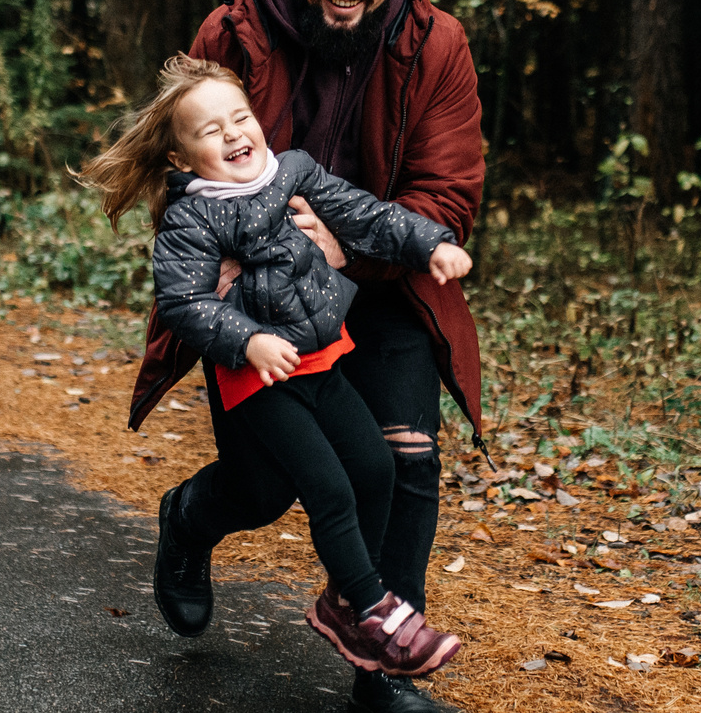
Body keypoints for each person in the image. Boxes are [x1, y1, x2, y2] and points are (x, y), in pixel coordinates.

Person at [127, 0, 486, 713]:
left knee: (402, 461)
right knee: (267, 484)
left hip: (384, 280)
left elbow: (446, 194)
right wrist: (224, 280)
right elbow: (188, 166)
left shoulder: (436, 44)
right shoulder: (233, 28)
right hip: (258, 297)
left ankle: (381, 663)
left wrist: (349, 247)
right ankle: (189, 518)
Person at [81, 58, 473, 677]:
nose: (234, 133)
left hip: (321, 361)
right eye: (211, 130)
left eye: (241, 117)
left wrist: (431, 243)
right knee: (328, 489)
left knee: (375, 467)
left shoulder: (294, 171)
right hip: (259, 380)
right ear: (182, 160)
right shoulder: (190, 219)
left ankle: (347, 595)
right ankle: (369, 608)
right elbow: (185, 304)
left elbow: (366, 214)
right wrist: (249, 340)